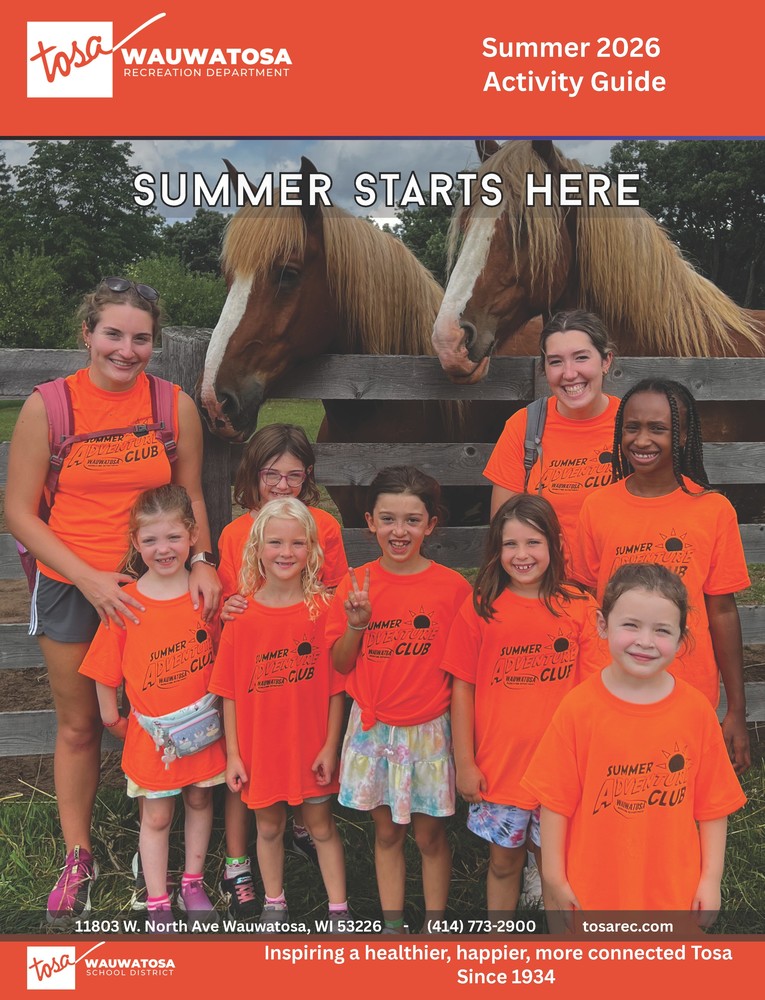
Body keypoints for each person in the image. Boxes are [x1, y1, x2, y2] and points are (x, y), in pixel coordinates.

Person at [5, 278, 221, 924]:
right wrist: (92, 579)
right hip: (76, 584)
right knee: (82, 725)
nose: (126, 350)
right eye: (113, 334)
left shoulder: (171, 404)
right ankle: (80, 853)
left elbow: (192, 498)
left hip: (160, 587)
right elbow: (18, 512)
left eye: (141, 338)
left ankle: (157, 848)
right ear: (87, 334)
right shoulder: (50, 407)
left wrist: (204, 560)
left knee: (167, 711)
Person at [522, 563, 746, 925]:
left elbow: (713, 807)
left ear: (681, 638)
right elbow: (554, 803)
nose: (645, 641)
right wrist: (554, 877)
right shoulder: (579, 709)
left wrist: (710, 880)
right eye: (631, 625)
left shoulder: (696, 712)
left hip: (673, 892)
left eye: (662, 630)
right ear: (602, 625)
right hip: (591, 889)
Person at [571, 378, 751, 774]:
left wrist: (737, 708)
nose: (642, 439)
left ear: (684, 434)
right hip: (612, 681)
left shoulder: (712, 510)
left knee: (676, 792)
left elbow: (721, 609)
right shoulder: (597, 507)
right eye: (632, 427)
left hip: (688, 685)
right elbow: (584, 599)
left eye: (658, 428)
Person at [442, 495, 608, 918]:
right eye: (510, 544)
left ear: (553, 544)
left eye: (533, 543)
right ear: (496, 550)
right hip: (501, 768)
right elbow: (463, 687)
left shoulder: (579, 608)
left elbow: (595, 693)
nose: (522, 555)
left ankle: (559, 948)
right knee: (503, 862)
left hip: (562, 768)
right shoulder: (481, 607)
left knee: (556, 867)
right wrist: (465, 761)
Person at [327, 466, 472, 932]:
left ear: (431, 524)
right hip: (374, 730)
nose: (399, 531)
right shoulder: (355, 585)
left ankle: (435, 926)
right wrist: (357, 624)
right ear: (369, 521)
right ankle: (392, 927)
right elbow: (341, 664)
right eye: (388, 519)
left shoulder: (452, 589)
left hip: (429, 729)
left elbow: (464, 672)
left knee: (430, 834)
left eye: (412, 520)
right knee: (387, 831)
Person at [216, 423, 348, 917]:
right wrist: (231, 607)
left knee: (317, 818)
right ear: (254, 473)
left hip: (305, 680)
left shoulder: (323, 528)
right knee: (259, 809)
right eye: (271, 473)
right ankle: (250, 874)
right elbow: (234, 596)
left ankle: (331, 894)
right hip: (257, 690)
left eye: (294, 475)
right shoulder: (236, 534)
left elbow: (332, 593)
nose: (282, 485)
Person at [79, 486, 226, 931]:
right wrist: (112, 718)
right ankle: (159, 899)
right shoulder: (126, 604)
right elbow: (106, 670)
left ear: (193, 535)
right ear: (135, 542)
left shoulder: (205, 595)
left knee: (201, 798)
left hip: (203, 726)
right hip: (153, 734)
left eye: (174, 538)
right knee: (157, 814)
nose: (163, 550)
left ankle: (194, 882)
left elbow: (225, 653)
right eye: (150, 541)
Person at [483, 309, 618, 551]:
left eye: (581, 358)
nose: (569, 373)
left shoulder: (633, 424)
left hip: (620, 582)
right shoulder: (524, 425)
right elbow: (503, 530)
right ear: (545, 369)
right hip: (548, 582)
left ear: (606, 361)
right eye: (556, 361)